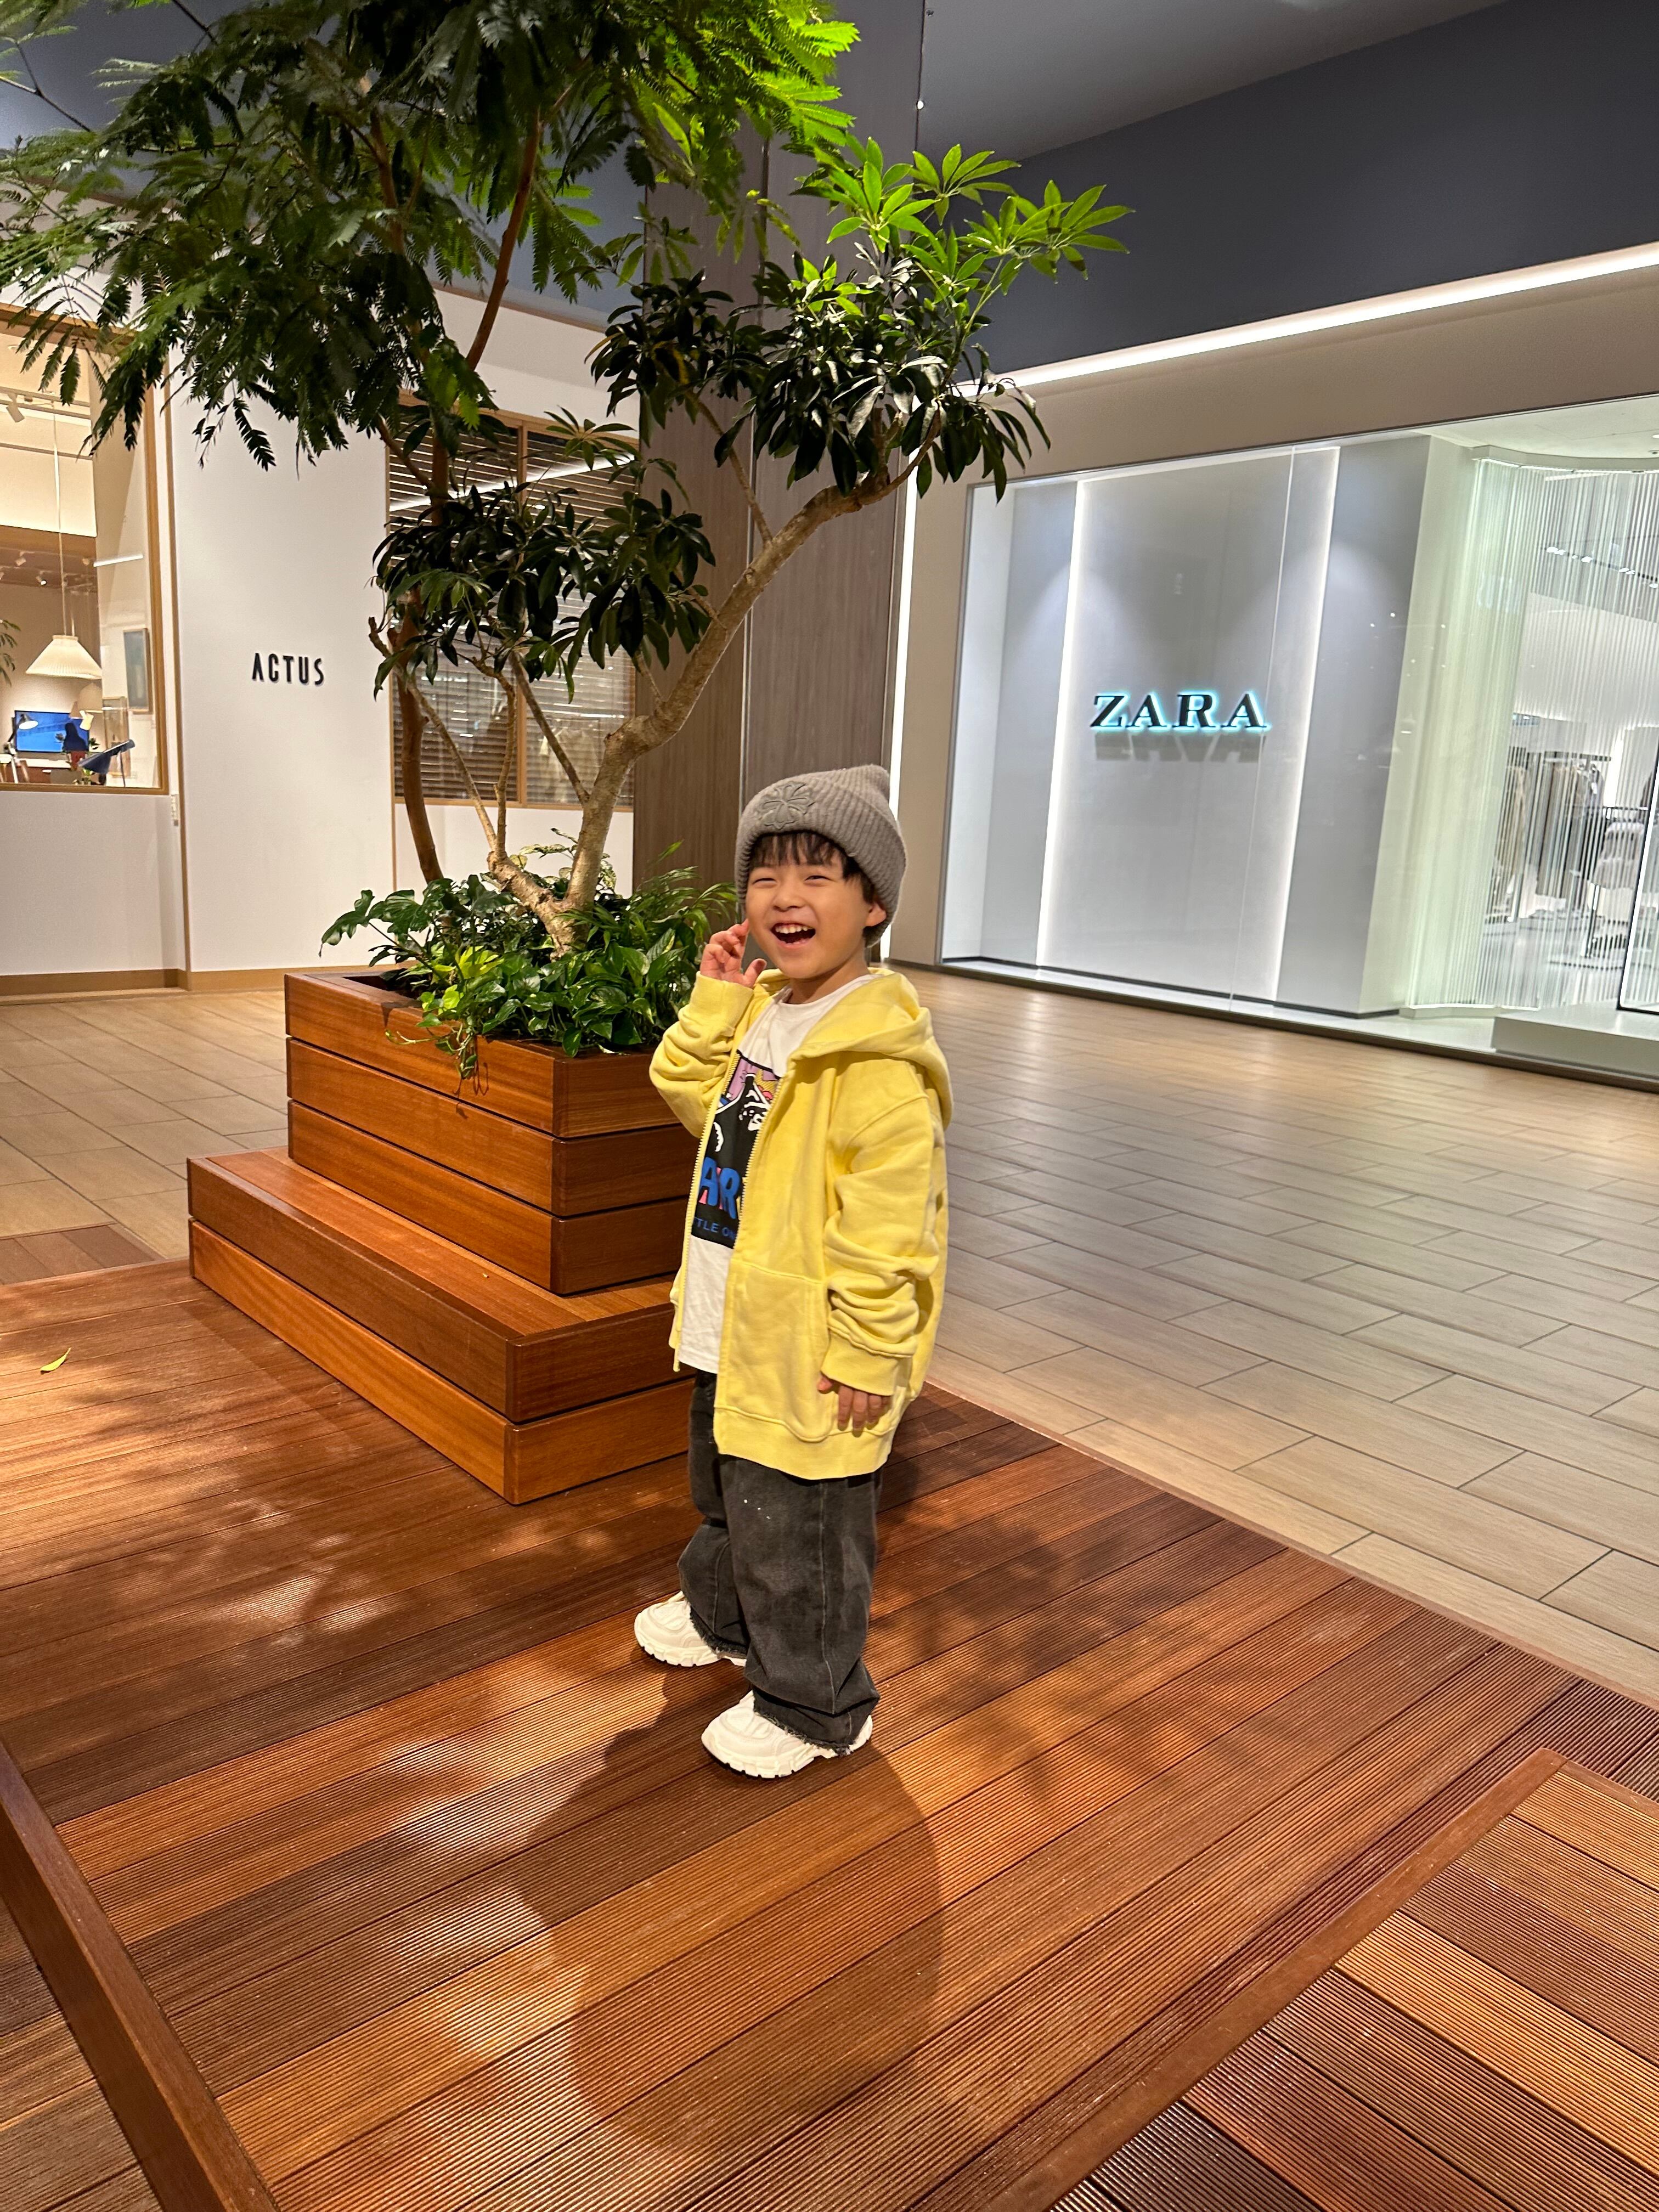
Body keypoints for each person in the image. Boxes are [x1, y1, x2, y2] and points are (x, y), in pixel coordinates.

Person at [638, 764, 951, 1778]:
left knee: (802, 1531)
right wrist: (716, 999)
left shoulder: (877, 1060)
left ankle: (817, 1705)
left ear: (874, 904)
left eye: (818, 875)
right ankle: (724, 1619)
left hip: (810, 1346)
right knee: (728, 1491)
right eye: (766, 875)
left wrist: (867, 1349)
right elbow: (688, 1093)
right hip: (734, 1319)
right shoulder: (767, 1012)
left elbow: (892, 1233)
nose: (785, 897)